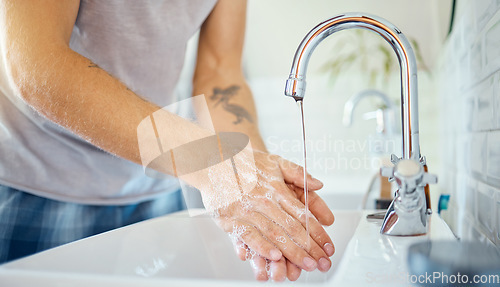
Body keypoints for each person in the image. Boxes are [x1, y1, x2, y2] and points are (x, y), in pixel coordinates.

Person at [0, 0, 335, 281]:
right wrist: (213, 163)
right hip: (40, 187)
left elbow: (220, 73)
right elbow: (37, 63)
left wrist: (254, 176)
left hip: (157, 188)